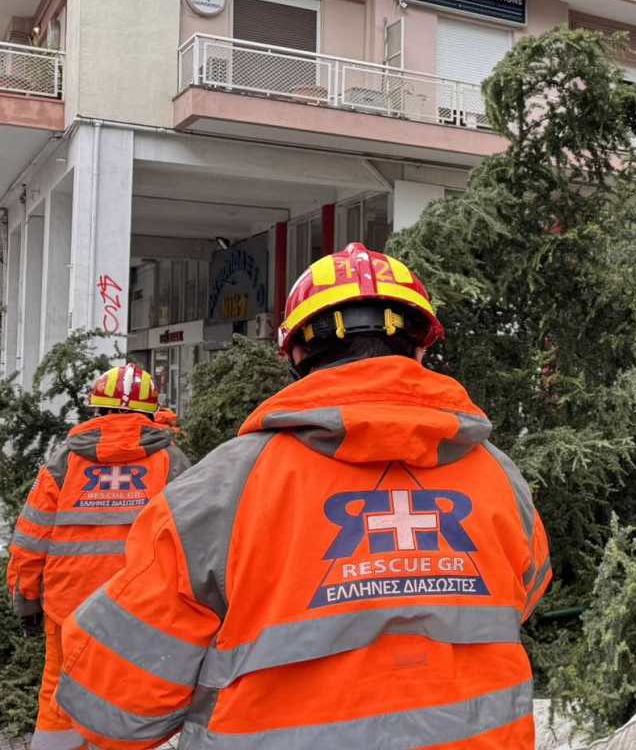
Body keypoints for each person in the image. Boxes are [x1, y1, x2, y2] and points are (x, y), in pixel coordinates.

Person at [57, 243, 551, 750]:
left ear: (294, 352)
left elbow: (115, 704)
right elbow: (524, 593)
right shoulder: (498, 474)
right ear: (421, 349)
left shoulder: (221, 489)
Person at [7, 363, 191, 750]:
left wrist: (27, 603)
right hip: (143, 611)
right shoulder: (171, 462)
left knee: (60, 697)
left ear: (98, 410)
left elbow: (30, 540)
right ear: (150, 412)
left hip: (67, 605)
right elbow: (194, 538)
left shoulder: (64, 463)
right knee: (135, 696)